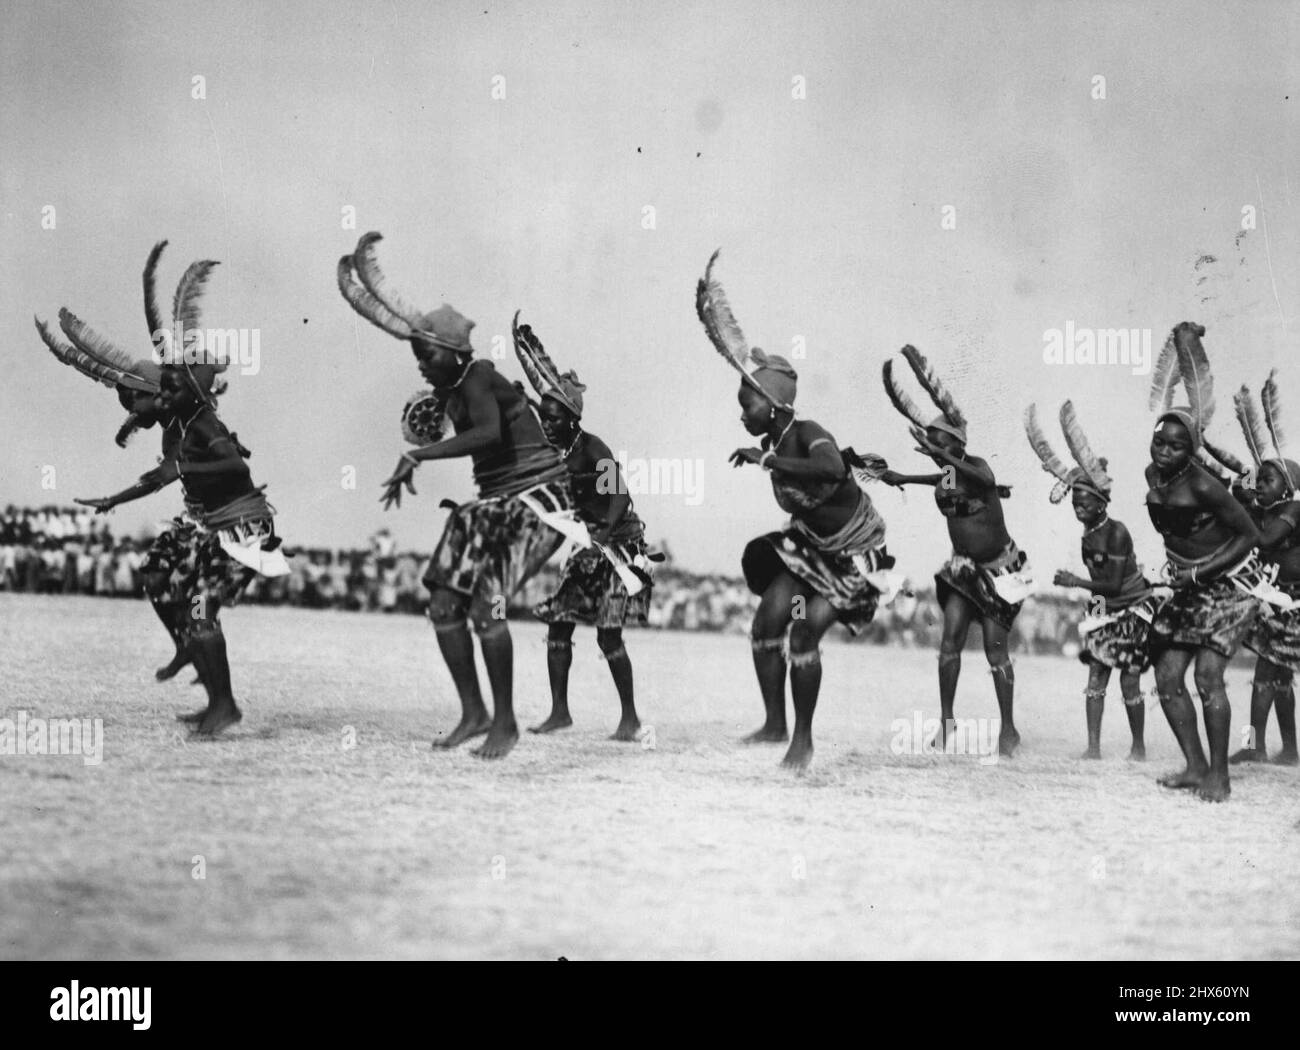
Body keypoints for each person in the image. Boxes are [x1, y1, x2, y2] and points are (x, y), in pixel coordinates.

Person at [339, 232, 574, 759]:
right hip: (495, 505)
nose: (420, 363)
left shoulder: (479, 376)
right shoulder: (454, 389)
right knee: (444, 601)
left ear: (450, 353)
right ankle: (475, 712)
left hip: (539, 500)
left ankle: (506, 723)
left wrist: (419, 456)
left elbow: (489, 435)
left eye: (426, 354)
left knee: (486, 606)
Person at [72, 247, 290, 734]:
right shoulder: (179, 425)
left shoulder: (204, 422)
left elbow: (231, 462)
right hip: (214, 527)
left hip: (244, 528)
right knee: (158, 572)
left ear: (191, 390)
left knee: (200, 608)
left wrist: (182, 467)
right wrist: (114, 499)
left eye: (168, 389)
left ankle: (223, 702)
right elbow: (159, 477)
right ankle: (193, 657)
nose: (159, 397)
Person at [697, 251, 899, 770]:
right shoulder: (776, 437)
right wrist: (766, 455)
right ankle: (773, 723)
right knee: (768, 621)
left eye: (748, 404)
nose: (742, 413)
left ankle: (802, 739)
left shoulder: (807, 433)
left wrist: (767, 459)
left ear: (776, 404)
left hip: (855, 556)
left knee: (804, 630)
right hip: (810, 546)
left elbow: (832, 472)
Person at [512, 313, 658, 740]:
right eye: (545, 417)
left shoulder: (594, 449)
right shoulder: (552, 449)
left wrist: (603, 538)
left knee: (608, 635)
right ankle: (560, 712)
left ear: (572, 419)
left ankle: (629, 719)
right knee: (559, 624)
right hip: (587, 542)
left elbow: (619, 496)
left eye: (555, 418)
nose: (548, 423)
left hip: (620, 546)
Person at [881, 345, 1031, 756]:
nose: (931, 446)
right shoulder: (948, 472)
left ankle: (1009, 729)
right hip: (963, 571)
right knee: (948, 644)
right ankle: (947, 723)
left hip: (1001, 570)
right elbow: (939, 478)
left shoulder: (978, 466)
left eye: (939, 442)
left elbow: (982, 478)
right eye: (929, 441)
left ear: (956, 445)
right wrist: (901, 476)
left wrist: (942, 455)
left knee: (995, 651)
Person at [1143, 323, 1261, 801]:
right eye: (1160, 443)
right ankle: (1194, 766)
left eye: (1176, 445)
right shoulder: (1153, 474)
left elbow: (1249, 534)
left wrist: (1197, 570)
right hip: (1188, 590)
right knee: (1168, 679)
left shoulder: (1204, 484)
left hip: (1226, 587)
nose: (1166, 452)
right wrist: (1180, 571)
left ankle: (1220, 776)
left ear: (1191, 449)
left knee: (1207, 678)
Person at [1025, 401, 1152, 759]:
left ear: (1100, 504)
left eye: (1084, 502)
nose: (1078, 507)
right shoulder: (1089, 534)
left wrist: (1074, 582)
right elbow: (1103, 588)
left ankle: (1139, 748)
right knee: (1096, 678)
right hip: (1108, 610)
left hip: (1133, 610)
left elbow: (1111, 584)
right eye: (1075, 502)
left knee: (1129, 679)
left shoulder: (1115, 533)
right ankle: (1093, 749)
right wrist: (1092, 614)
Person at [1209, 373, 1300, 766]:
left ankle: (1253, 746)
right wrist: (1240, 493)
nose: (1259, 485)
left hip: (1293, 606)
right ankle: (1290, 748)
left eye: (1268, 480)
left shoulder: (1294, 510)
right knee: (1277, 679)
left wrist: (1248, 510)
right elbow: (1240, 503)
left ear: (1288, 485)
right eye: (1259, 480)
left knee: (1266, 675)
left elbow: (1264, 542)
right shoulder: (1265, 510)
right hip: (1276, 604)